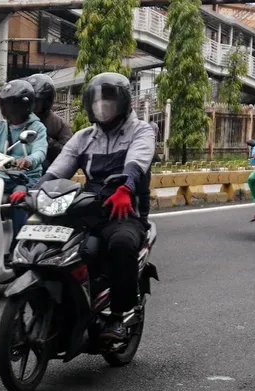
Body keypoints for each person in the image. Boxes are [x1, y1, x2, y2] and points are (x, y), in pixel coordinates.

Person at [19, 72, 155, 344]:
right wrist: (33, 190)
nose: (103, 108)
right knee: (44, 241)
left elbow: (137, 162)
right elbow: (60, 167)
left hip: (124, 210)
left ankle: (118, 313)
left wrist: (125, 188)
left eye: (109, 102)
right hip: (87, 207)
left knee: (121, 245)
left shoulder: (141, 130)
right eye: (97, 103)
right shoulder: (84, 137)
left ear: (124, 103)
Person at [0, 79, 47, 239]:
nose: (7, 110)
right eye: (5, 105)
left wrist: (29, 160)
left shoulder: (37, 128)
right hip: (0, 177)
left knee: (18, 199)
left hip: (26, 179)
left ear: (25, 105)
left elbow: (40, 152)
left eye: (11, 105)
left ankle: (18, 243)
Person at [26, 73, 72, 169]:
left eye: (37, 101)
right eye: (30, 101)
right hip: (16, 171)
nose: (33, 105)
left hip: (46, 175)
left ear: (46, 101)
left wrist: (46, 140)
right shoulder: (19, 120)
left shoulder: (59, 124)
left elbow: (68, 154)